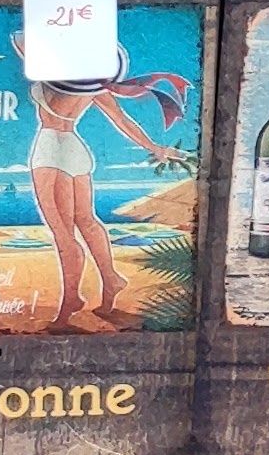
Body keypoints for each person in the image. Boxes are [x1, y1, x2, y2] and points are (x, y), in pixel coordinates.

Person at [26, 71, 189, 332]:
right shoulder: (93, 84)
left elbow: (22, 46)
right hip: (73, 148)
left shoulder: (61, 74)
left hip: (50, 149)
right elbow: (121, 119)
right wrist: (155, 148)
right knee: (86, 221)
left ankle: (70, 302)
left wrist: (155, 148)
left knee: (62, 232)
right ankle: (110, 278)